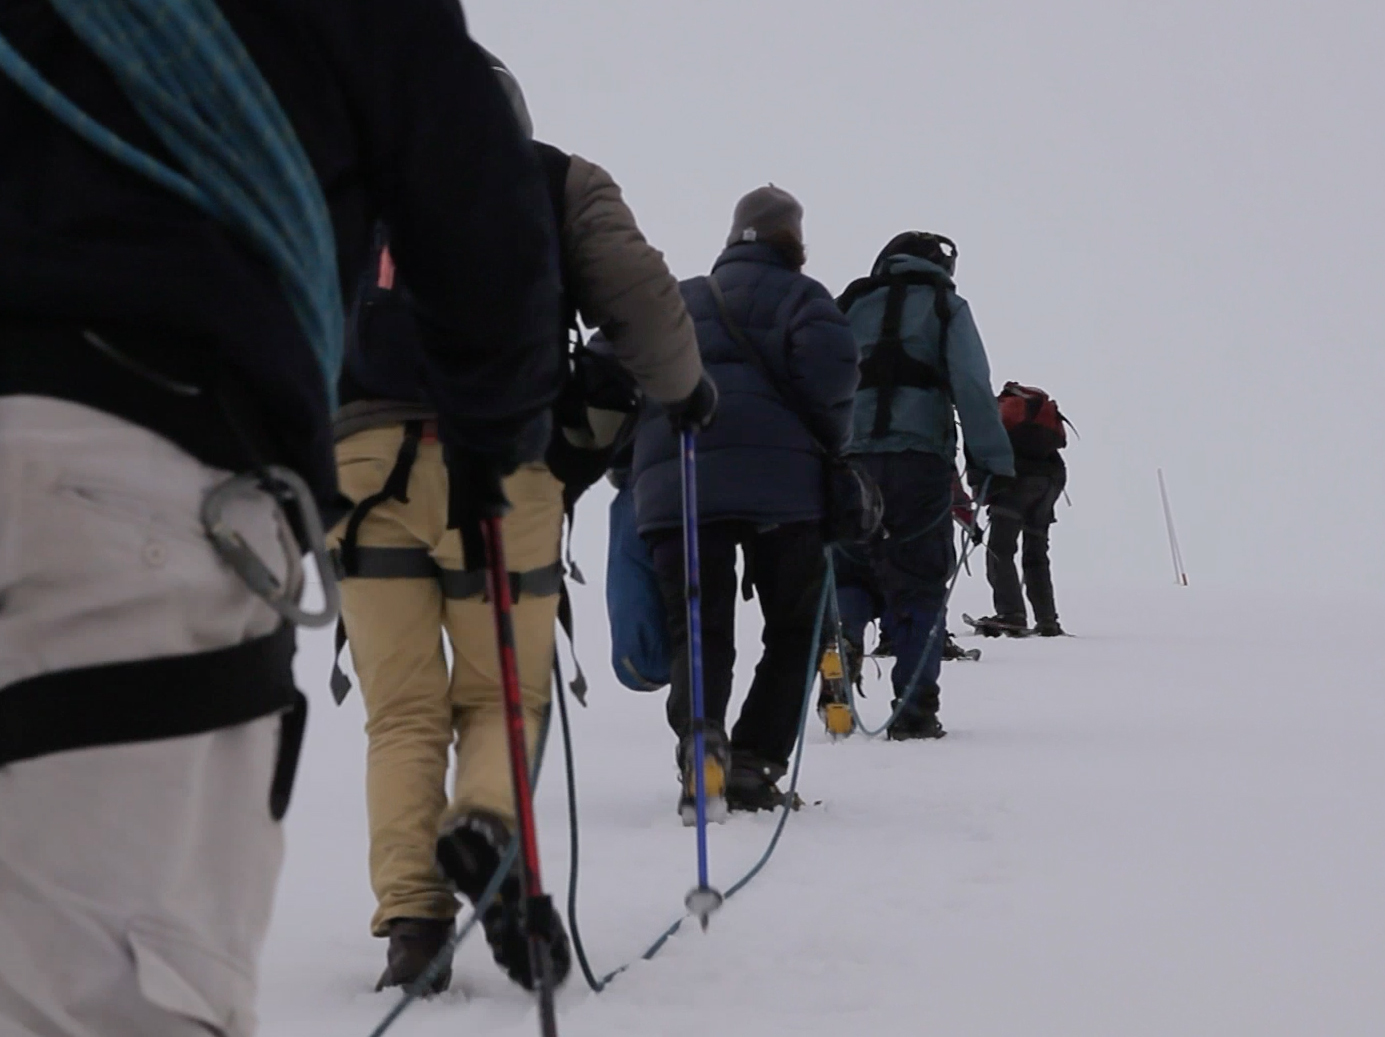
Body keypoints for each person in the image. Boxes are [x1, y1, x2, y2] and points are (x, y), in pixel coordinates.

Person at [0, 2, 560, 1034]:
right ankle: (476, 830)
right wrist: (492, 435)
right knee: (105, 991)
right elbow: (474, 191)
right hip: (142, 467)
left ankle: (411, 906)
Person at [329, 55, 709, 992]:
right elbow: (640, 293)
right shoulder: (557, 177)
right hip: (499, 460)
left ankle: (413, 926)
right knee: (507, 690)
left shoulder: (347, 188)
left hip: (359, 466)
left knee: (402, 709)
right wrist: (684, 391)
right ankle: (488, 824)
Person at [632, 185, 857, 817]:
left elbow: (623, 364)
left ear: (733, 237)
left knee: (698, 627)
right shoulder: (803, 298)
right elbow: (835, 370)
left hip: (680, 484)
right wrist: (825, 437)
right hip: (784, 491)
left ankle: (702, 745)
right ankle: (756, 762)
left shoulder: (682, 297)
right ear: (795, 241)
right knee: (794, 625)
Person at [834, 232, 1013, 740]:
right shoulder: (946, 307)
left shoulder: (848, 303)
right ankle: (913, 711)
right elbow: (973, 385)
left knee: (849, 568)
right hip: (918, 463)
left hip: (849, 460)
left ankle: (842, 634)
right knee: (918, 583)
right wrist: (988, 462)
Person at [972, 382, 1070, 637]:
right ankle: (1047, 619)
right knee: (1036, 552)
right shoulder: (1033, 416)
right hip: (1051, 480)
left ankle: (1011, 614)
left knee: (1000, 550)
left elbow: (980, 456)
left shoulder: (991, 416)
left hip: (1016, 482)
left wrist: (982, 490)